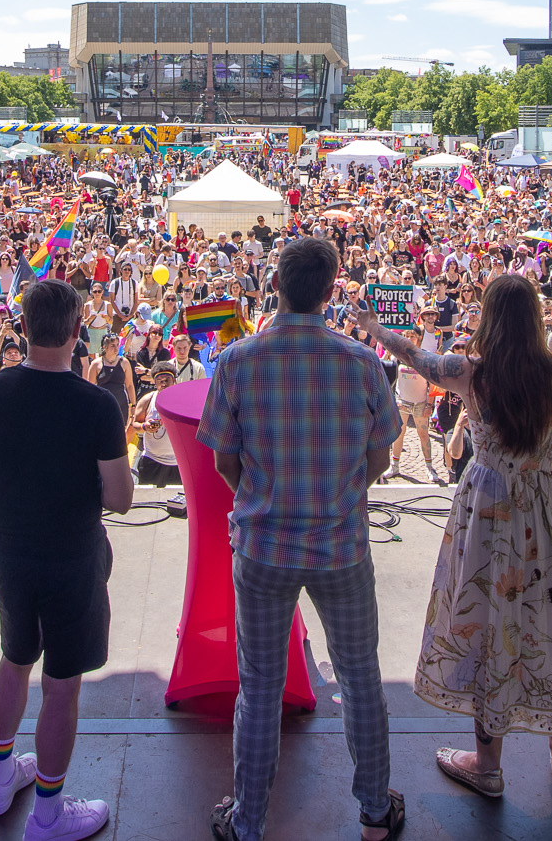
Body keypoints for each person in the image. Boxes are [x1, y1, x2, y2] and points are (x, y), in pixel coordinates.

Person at [359, 274, 552, 797]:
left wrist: (376, 329)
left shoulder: (468, 372)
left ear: (490, 318)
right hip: (547, 505)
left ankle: (488, 764)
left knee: (488, 617)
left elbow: (415, 357)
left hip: (490, 504)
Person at [199, 236, 404, 841]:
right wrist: (340, 494)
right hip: (341, 547)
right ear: (331, 290)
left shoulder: (237, 360)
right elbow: (381, 455)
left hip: (262, 548)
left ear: (275, 286)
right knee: (360, 678)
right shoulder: (361, 362)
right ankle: (374, 812)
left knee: (259, 688)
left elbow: (223, 460)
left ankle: (248, 823)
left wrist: (261, 496)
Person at [0, 278, 131, 841]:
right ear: (78, 331)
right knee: (61, 682)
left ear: (24, 328)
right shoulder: (97, 405)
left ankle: (0, 778)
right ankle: (49, 814)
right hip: (71, 555)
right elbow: (120, 498)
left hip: (8, 547)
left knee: (14, 658)